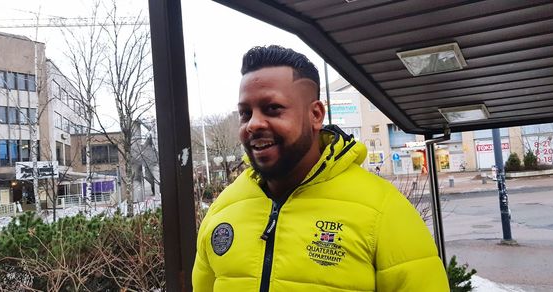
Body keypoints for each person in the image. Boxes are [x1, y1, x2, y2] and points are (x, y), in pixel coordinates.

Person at [192, 45, 449, 291]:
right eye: (245, 113)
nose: (254, 124)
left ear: (315, 115)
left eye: (273, 109)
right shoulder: (222, 211)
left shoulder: (384, 211)